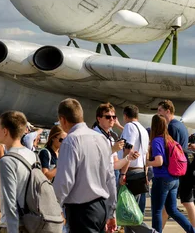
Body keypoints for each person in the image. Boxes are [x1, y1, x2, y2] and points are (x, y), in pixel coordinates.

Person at [53, 98, 117, 233]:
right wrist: (111, 212)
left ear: (63, 120)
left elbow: (65, 181)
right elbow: (110, 177)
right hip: (101, 206)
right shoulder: (101, 139)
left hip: (82, 210)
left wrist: (54, 207)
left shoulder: (71, 141)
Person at [147, 114, 195, 232]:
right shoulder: (170, 139)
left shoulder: (157, 140)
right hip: (174, 179)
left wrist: (146, 162)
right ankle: (192, 231)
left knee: (157, 211)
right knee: (172, 210)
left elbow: (159, 161)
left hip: (162, 178)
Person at [157, 100, 195, 231]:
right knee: (187, 201)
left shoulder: (171, 127)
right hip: (184, 165)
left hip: (175, 169)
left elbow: (170, 150)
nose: (158, 114)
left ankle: (158, 230)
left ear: (167, 111)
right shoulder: (180, 126)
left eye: (160, 111)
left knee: (167, 205)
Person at [118, 105, 150, 214]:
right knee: (132, 210)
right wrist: (145, 173)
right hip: (140, 171)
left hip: (130, 171)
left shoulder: (129, 126)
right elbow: (146, 153)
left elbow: (128, 149)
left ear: (125, 116)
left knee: (127, 211)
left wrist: (123, 173)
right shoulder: (143, 130)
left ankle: (149, 232)